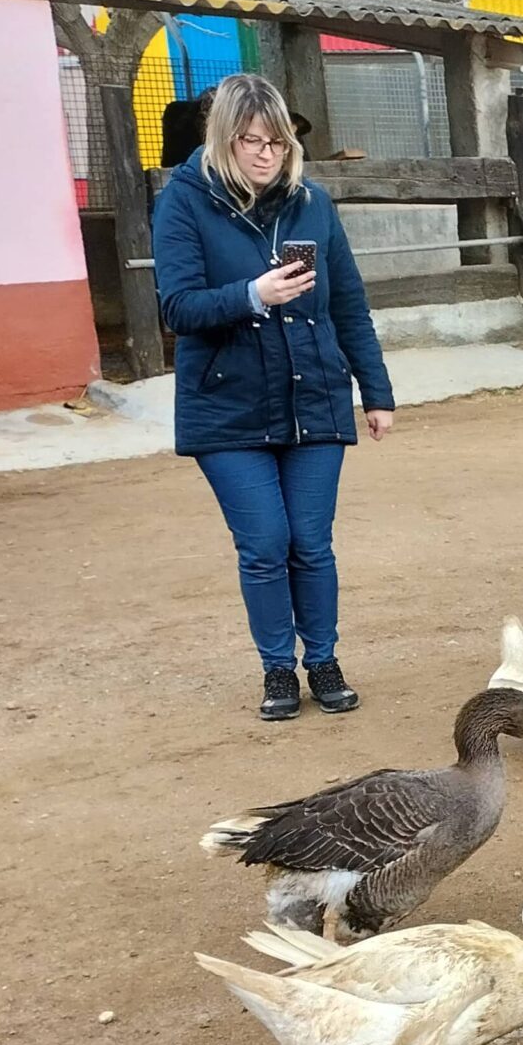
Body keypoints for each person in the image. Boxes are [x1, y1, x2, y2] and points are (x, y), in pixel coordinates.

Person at [152, 73, 394, 722]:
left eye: (278, 142)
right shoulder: (184, 202)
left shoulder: (311, 203)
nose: (266, 154)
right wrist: (252, 295)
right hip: (226, 406)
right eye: (251, 141)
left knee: (311, 542)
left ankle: (324, 659)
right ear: (222, 139)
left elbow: (348, 304)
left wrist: (376, 391)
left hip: (313, 396)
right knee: (264, 542)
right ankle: (278, 668)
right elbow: (178, 307)